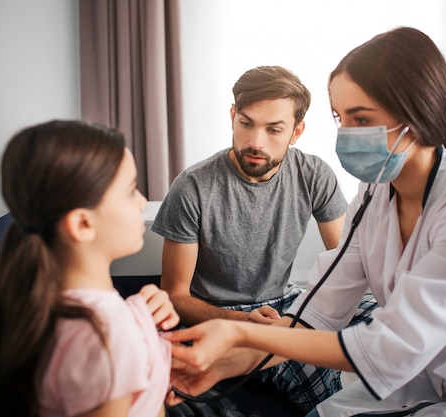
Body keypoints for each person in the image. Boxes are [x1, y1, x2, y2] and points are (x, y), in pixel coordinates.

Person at [164, 27, 446, 417]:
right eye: (341, 118)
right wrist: (218, 368)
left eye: (362, 120)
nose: (347, 135)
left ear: (416, 116)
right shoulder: (374, 195)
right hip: (438, 379)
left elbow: (389, 349)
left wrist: (242, 337)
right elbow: (318, 313)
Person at [153, 65, 378, 412]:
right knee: (310, 366)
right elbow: (175, 295)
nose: (256, 142)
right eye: (246, 124)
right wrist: (244, 323)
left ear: (296, 131)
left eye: (274, 129)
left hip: (284, 301)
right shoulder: (193, 186)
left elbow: (347, 264)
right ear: (232, 116)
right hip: (220, 313)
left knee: (384, 315)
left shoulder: (314, 173)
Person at [0, 120, 180, 417]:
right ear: (83, 224)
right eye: (131, 191)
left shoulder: (50, 302)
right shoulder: (108, 336)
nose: (142, 201)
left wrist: (142, 322)